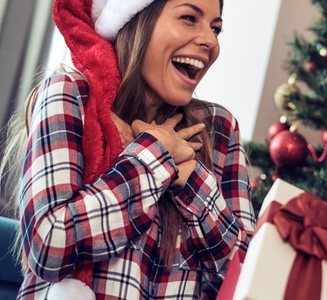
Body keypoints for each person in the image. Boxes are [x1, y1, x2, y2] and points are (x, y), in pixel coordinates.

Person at [0, 0, 255, 298]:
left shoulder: (218, 130)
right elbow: (49, 246)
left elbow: (247, 277)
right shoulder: (70, 96)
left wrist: (192, 180)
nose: (210, 41)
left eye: (216, 29)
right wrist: (156, 157)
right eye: (189, 17)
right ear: (134, 19)